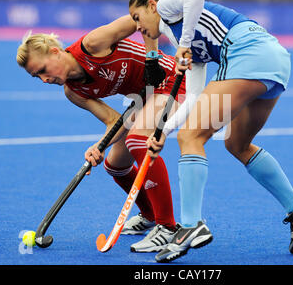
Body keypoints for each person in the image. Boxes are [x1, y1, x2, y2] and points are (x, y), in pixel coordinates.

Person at [128, 0, 293, 263]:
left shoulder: (169, 8)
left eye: (137, 17)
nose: (137, 27)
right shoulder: (183, 39)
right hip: (273, 60)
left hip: (248, 53)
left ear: (152, 6)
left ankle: (191, 225)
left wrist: (182, 44)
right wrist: (164, 131)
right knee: (237, 143)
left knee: (192, 136)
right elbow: (193, 95)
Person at [15, 15, 186, 253]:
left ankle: (169, 228)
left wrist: (152, 59)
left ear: (55, 52)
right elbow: (114, 122)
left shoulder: (93, 44)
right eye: (37, 77)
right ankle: (149, 216)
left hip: (172, 80)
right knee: (115, 164)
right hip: (144, 99)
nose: (44, 79)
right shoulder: (73, 92)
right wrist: (99, 146)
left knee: (138, 141)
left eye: (43, 70)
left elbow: (145, 19)